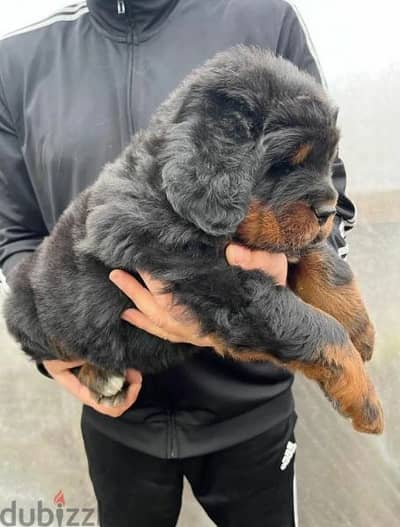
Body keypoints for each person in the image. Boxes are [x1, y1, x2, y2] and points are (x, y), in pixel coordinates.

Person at [0, 1, 356, 526]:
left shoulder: (261, 20)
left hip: (250, 410)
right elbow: (16, 233)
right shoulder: (18, 60)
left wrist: (288, 269)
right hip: (116, 412)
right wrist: (47, 342)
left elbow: (330, 200)